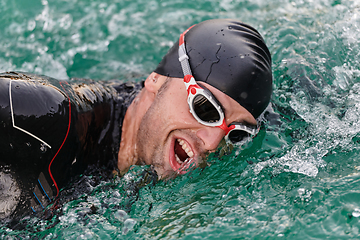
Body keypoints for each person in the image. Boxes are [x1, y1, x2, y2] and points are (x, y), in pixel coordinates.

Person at [0, 19, 272, 220]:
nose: (213, 142)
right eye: (206, 108)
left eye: (235, 133)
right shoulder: (47, 116)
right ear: (157, 79)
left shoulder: (176, 178)